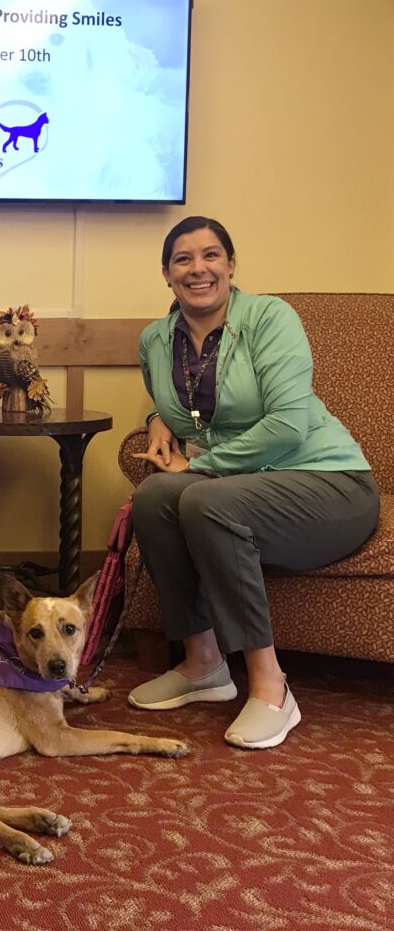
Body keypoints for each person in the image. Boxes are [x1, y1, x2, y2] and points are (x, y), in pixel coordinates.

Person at [127, 215, 379, 749]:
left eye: (211, 255)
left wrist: (201, 464)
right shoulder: (155, 338)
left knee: (205, 500)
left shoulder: (270, 316)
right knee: (153, 497)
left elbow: (288, 422)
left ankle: (271, 687)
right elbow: (187, 406)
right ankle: (203, 666)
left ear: (231, 264)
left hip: (328, 482)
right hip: (242, 487)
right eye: (183, 259)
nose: (199, 268)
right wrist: (155, 420)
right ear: (166, 274)